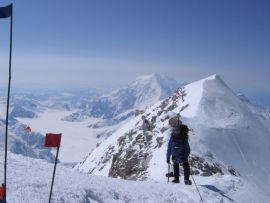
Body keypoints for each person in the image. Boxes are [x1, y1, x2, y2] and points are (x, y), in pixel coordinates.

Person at [166, 116, 192, 185]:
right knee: (186, 166)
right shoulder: (184, 137)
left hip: (175, 155)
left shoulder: (172, 137)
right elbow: (187, 148)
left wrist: (168, 158)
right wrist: (185, 156)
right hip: (182, 155)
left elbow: (169, 148)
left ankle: (176, 179)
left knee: (176, 166)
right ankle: (186, 179)